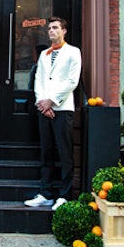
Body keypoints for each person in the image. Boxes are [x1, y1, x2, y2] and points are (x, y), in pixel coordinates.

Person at [24, 16, 81, 211]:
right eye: (49, 28)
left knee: (65, 154)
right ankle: (45, 193)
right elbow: (39, 79)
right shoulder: (44, 55)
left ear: (64, 31)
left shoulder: (74, 52)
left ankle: (64, 195)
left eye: (55, 27)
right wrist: (42, 103)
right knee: (46, 153)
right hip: (44, 110)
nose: (51, 31)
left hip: (63, 109)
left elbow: (72, 81)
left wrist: (52, 101)